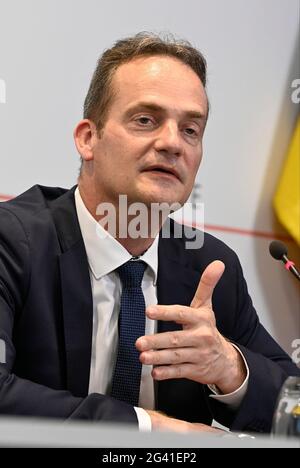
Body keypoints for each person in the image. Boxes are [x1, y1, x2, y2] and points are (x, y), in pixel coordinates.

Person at [0, 33, 299, 435]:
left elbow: (291, 404)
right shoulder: (13, 242)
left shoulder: (210, 266)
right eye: (146, 120)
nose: (172, 143)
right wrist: (148, 430)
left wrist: (230, 367)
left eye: (191, 129)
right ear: (89, 139)